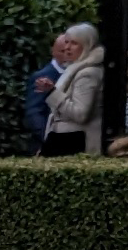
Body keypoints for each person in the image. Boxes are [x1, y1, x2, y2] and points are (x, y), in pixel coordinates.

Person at [38, 24, 104, 156]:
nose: (67, 47)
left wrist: (52, 93)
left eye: (74, 43)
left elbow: (80, 114)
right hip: (63, 139)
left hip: (75, 142)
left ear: (86, 45)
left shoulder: (87, 74)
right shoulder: (74, 68)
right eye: (66, 42)